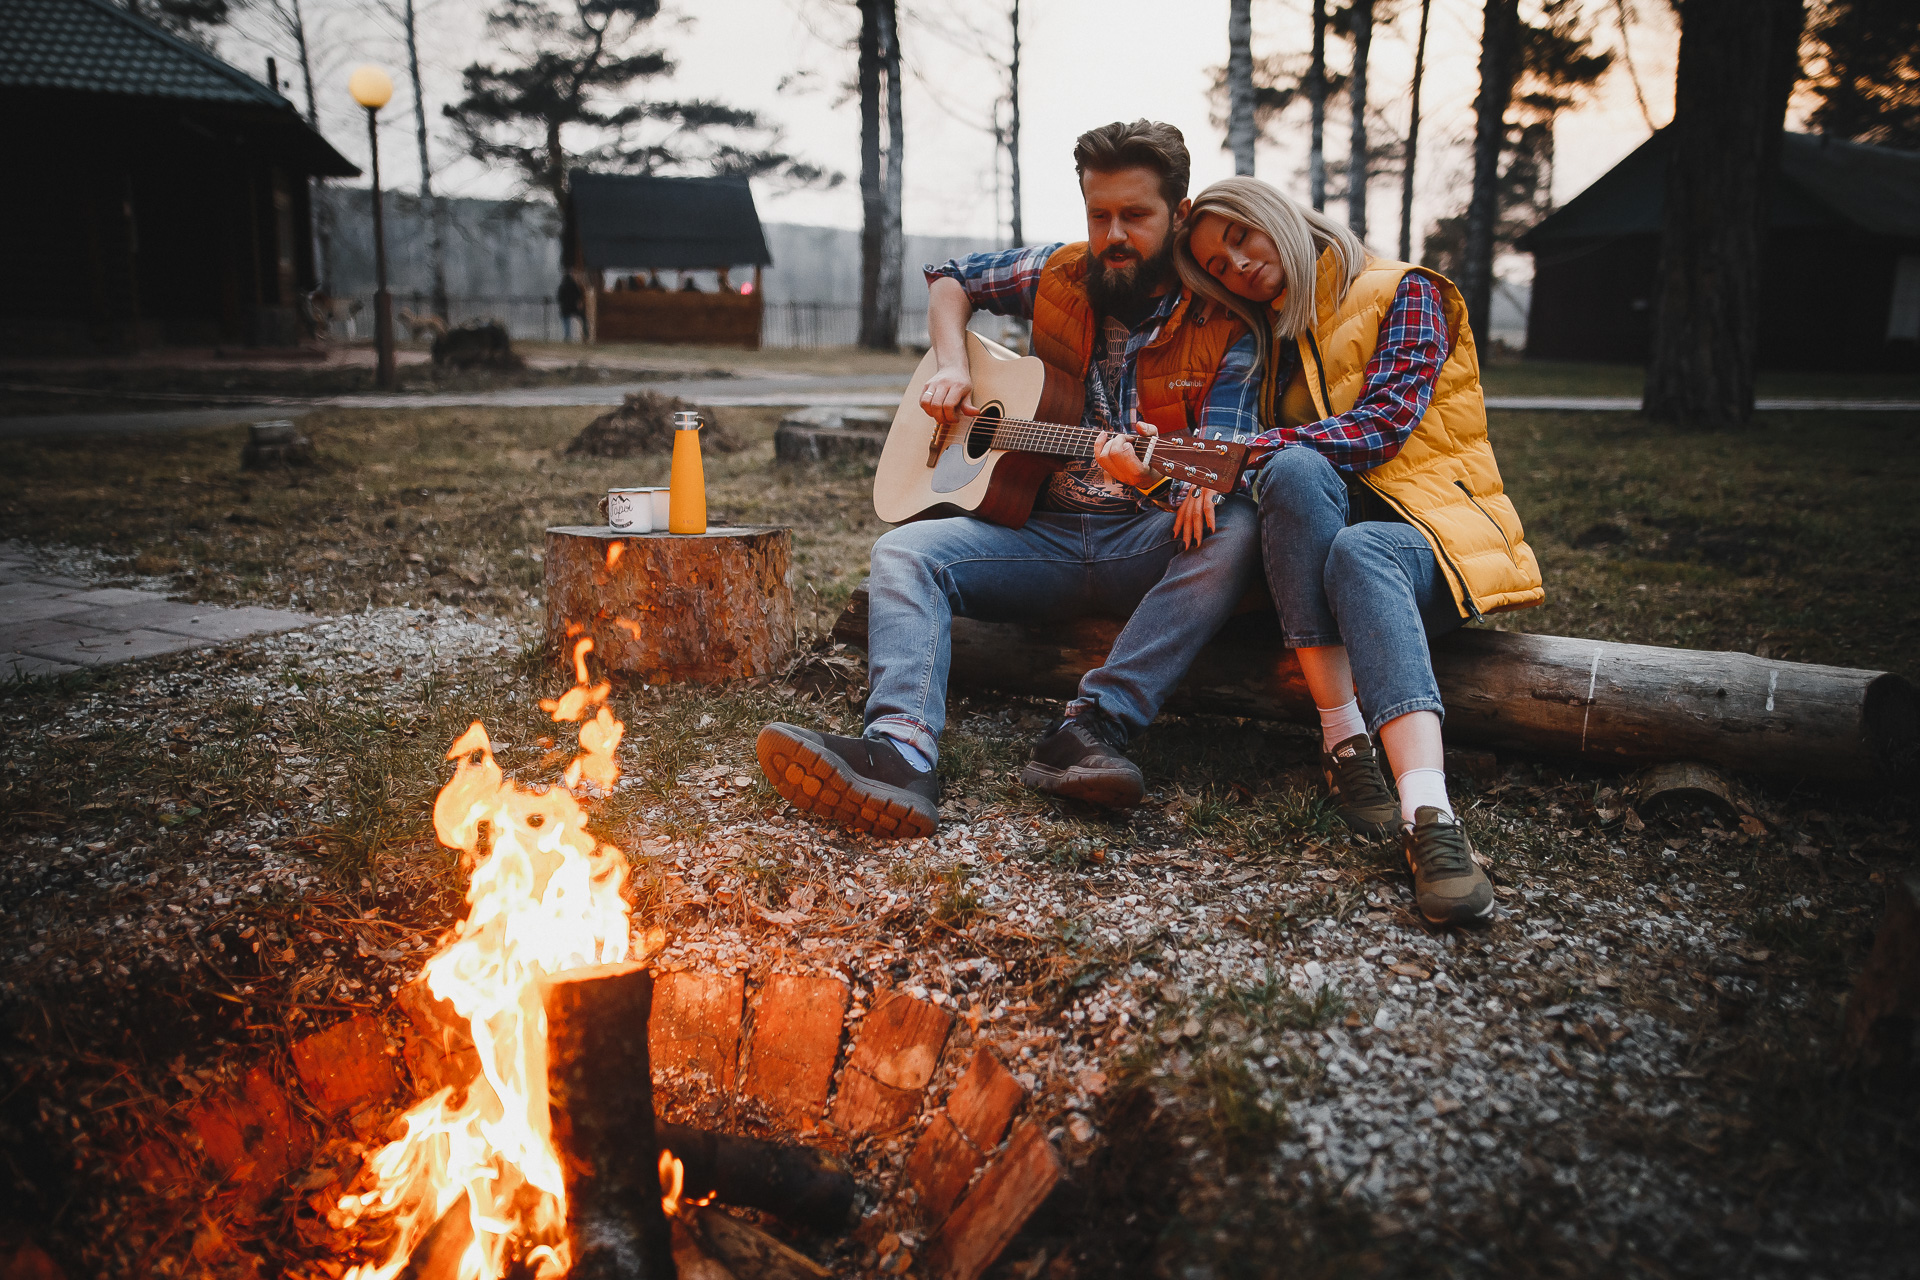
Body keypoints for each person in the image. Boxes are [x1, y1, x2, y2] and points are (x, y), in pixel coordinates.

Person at [757, 120, 1262, 840]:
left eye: (1136, 216)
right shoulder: (1059, 273)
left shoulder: (1227, 322)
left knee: (1235, 527)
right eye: (1099, 215)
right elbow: (948, 280)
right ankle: (901, 755)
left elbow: (1221, 466)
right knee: (903, 553)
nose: (1114, 234)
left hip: (1137, 544)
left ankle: (1088, 731)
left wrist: (1153, 479)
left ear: (1179, 216)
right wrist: (954, 367)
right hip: (1037, 534)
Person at [1173, 177, 1543, 927]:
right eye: (1215, 264)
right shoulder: (1270, 339)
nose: (1234, 266)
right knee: (1302, 475)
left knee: (1358, 547)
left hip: (1430, 541)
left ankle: (1430, 820)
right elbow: (1283, 468)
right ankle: (1345, 747)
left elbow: (1382, 427)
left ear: (1273, 214)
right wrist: (1202, 473)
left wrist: (1241, 455)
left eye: (1239, 238)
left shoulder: (1408, 291)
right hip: (1337, 553)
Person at [557, 272, 585, 341]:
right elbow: (579, 294)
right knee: (582, 318)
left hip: (565, 307)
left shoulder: (562, 286)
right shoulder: (574, 285)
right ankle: (585, 332)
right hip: (573, 307)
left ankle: (567, 336)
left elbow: (559, 297)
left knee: (566, 322)